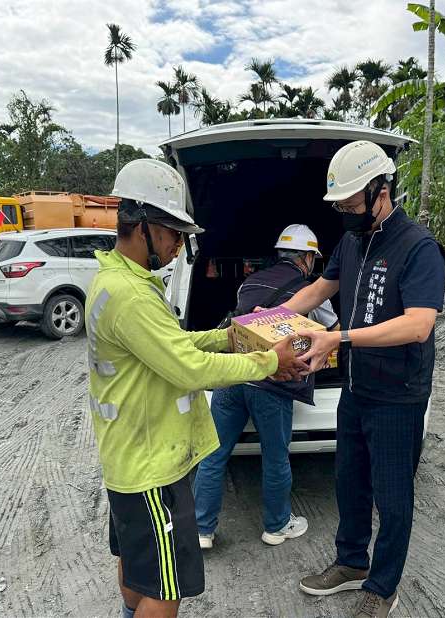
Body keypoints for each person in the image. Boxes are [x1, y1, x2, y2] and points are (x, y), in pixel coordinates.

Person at [85, 159, 307, 618]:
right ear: (144, 226)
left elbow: (169, 345)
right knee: (166, 591)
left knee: (138, 566)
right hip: (151, 468)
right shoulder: (132, 296)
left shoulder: (114, 282)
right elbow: (188, 368)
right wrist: (269, 359)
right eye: (173, 233)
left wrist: (226, 337)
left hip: (127, 456)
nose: (178, 246)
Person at [283, 141, 445, 618]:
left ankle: (383, 585)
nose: (348, 215)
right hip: (356, 389)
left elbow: (418, 324)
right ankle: (351, 563)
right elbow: (318, 289)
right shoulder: (352, 240)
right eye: (341, 207)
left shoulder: (418, 247)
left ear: (382, 190)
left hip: (398, 396)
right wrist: (266, 316)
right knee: (349, 483)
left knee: (393, 497)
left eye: (354, 205)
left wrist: (340, 339)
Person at [193, 225, 339, 549]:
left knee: (214, 455)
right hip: (273, 383)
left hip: (234, 375)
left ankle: (202, 530)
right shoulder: (311, 289)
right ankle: (276, 526)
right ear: (306, 258)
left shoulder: (248, 283)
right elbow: (333, 332)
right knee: (275, 457)